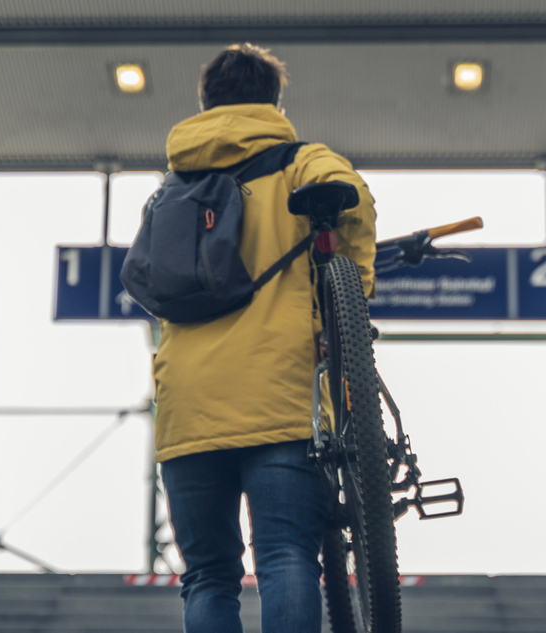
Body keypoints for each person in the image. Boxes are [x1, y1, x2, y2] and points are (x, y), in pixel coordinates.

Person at [153, 43, 377, 633]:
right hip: (282, 401)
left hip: (188, 411)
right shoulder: (301, 160)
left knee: (207, 575)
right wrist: (352, 299)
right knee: (284, 557)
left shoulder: (173, 187)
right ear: (274, 101)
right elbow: (347, 198)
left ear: (206, 102)